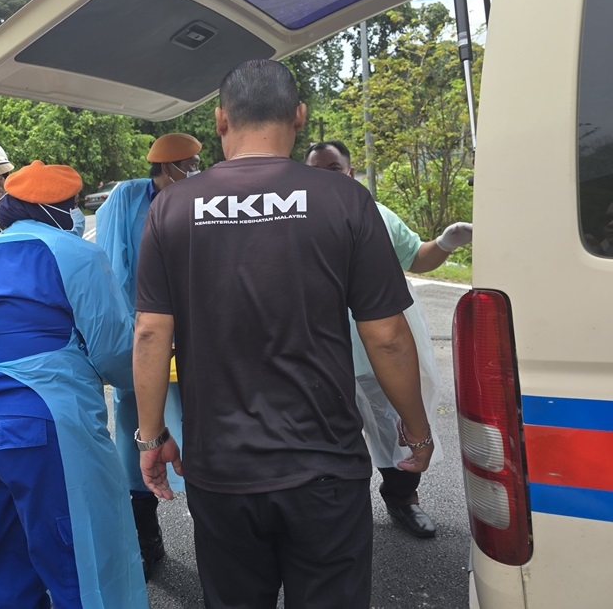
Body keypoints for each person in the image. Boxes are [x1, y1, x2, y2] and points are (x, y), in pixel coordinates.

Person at [132, 60, 434, 609]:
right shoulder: (344, 200)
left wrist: (151, 438)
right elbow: (387, 335)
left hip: (221, 470)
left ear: (221, 120)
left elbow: (151, 333)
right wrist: (415, 429)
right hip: (324, 466)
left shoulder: (171, 207)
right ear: (299, 115)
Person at [0, 160, 147, 608]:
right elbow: (113, 350)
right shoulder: (77, 254)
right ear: (61, 209)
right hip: (40, 423)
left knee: (5, 559)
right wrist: (139, 386)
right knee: (75, 557)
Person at [304, 140, 472, 538]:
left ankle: (402, 499)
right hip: (324, 353)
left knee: (397, 430)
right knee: (330, 439)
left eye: (333, 168)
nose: (324, 178)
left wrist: (446, 243)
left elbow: (417, 258)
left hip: (377, 353)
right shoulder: (296, 220)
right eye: (314, 171)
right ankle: (340, 514)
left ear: (349, 172)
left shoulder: (376, 215)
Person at [95, 131, 201, 579]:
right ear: (163, 167)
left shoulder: (203, 197)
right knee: (139, 432)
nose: (195, 171)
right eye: (188, 164)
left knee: (201, 431)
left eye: (197, 163)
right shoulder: (128, 198)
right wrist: (130, 333)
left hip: (197, 332)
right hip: (144, 329)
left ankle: (220, 537)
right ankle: (146, 540)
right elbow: (112, 264)